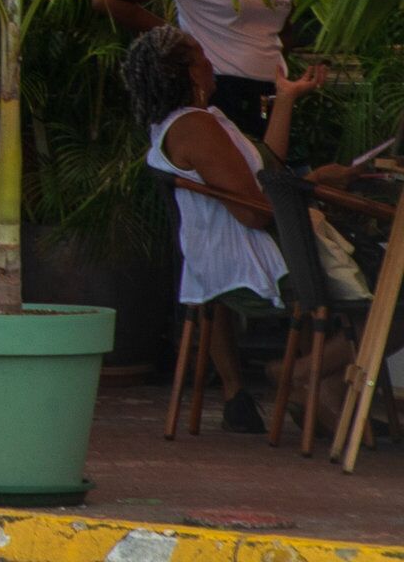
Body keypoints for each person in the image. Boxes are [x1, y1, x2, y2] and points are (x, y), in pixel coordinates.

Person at [123, 23, 344, 436]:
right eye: (203, 55)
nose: (211, 62)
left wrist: (286, 99)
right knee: (388, 299)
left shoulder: (201, 119)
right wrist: (311, 191)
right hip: (256, 268)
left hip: (216, 266)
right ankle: (300, 374)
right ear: (190, 71)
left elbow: (268, 168)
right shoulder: (194, 126)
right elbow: (255, 212)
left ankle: (317, 388)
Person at [97, 0, 289, 130]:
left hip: (271, 93)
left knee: (266, 158)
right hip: (220, 88)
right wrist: (181, 41)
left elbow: (281, 26)